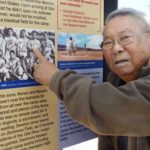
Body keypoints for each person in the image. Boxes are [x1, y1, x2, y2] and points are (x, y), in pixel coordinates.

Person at [33, 8, 150, 150]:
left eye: (125, 38)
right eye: (107, 42)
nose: (116, 49)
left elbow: (108, 107)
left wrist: (55, 78)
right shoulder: (115, 83)